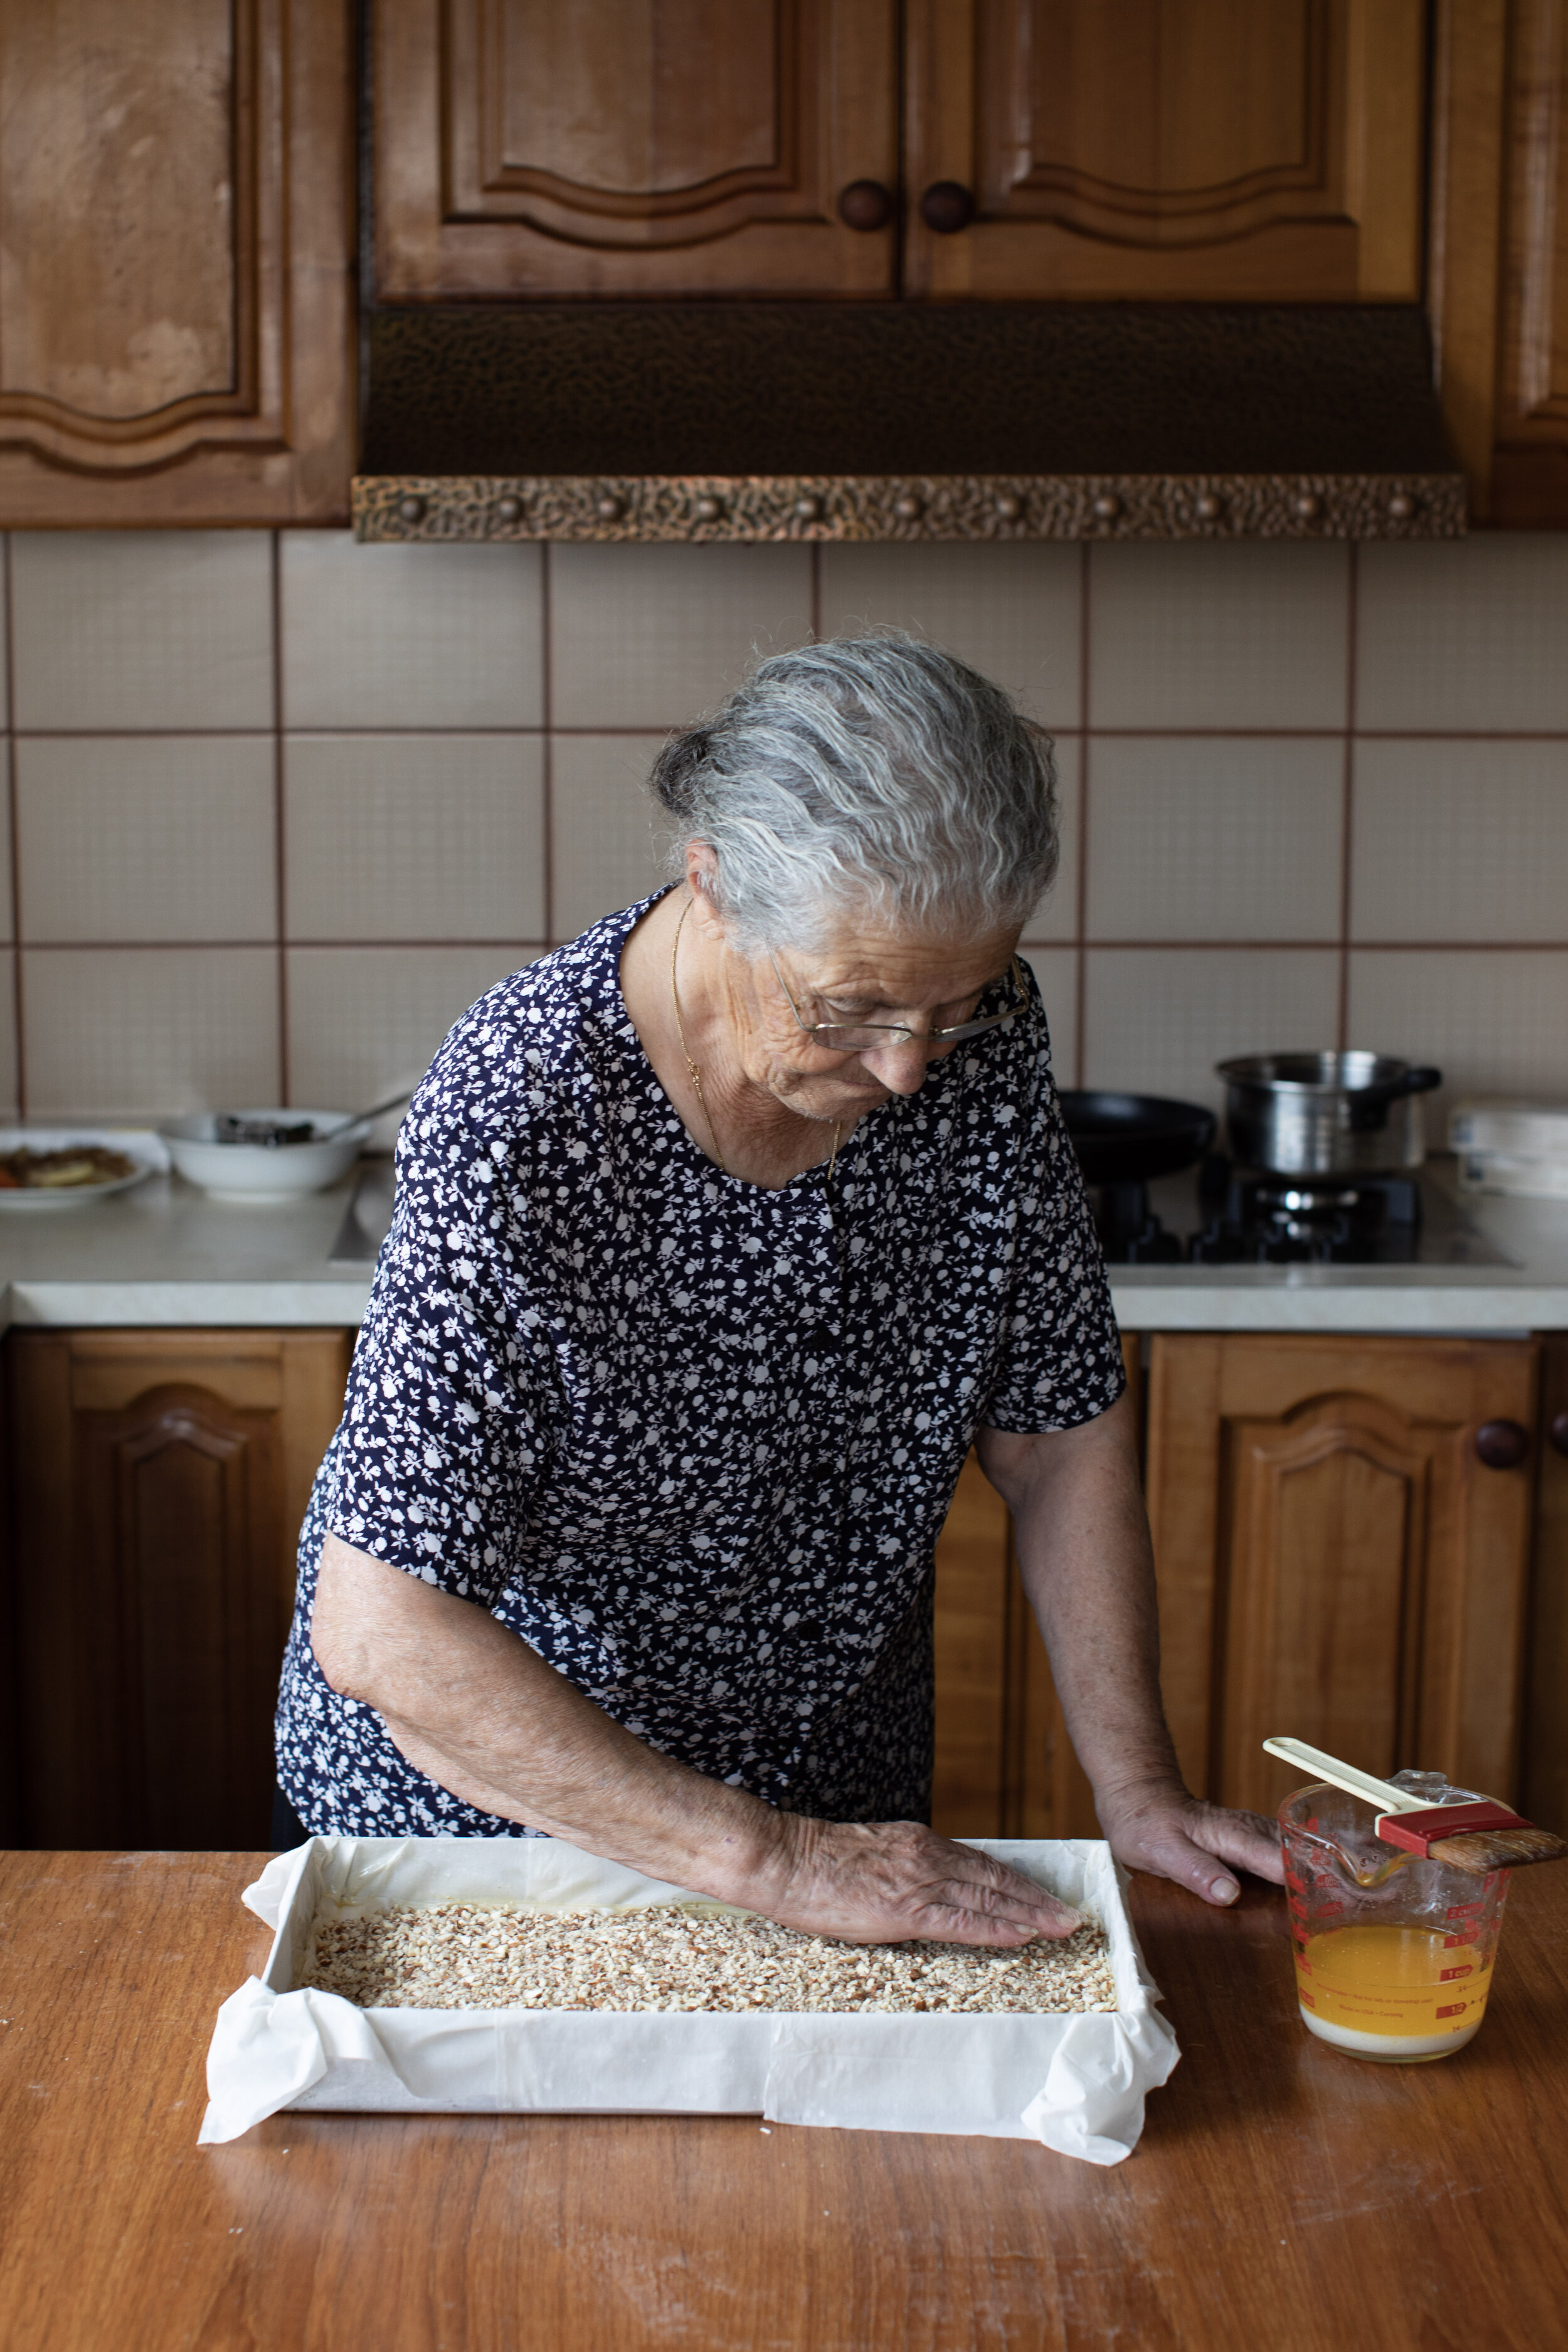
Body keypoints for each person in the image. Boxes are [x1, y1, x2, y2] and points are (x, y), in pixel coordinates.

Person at [278, 636, 1282, 1945]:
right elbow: (385, 1628)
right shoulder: (523, 1113)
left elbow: (1053, 1430)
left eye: (956, 1007)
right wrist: (773, 1862)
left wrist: (1138, 1789)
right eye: (848, 1010)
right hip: (519, 1840)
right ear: (712, 887)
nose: (911, 1070)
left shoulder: (969, 1037)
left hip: (838, 1823)